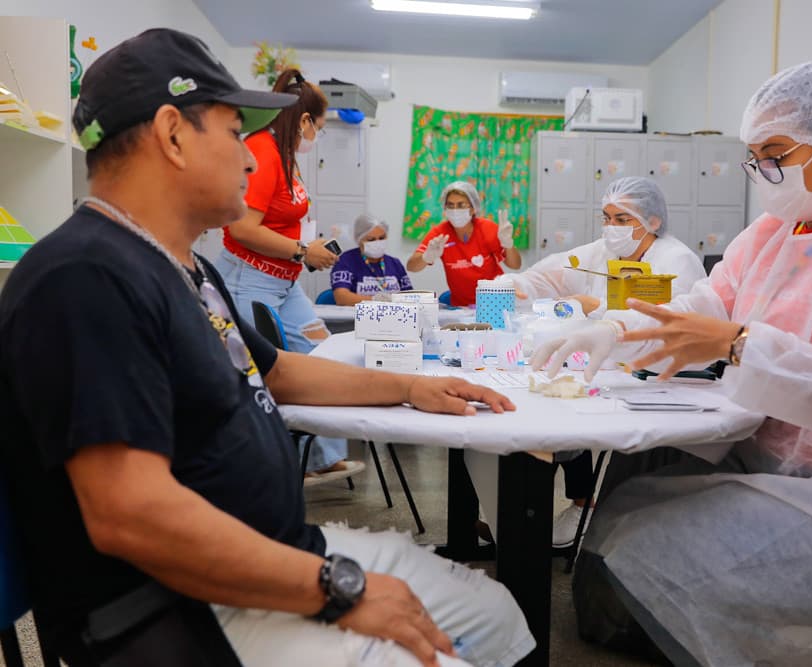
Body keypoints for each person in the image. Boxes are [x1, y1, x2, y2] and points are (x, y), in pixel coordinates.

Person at [0, 28, 533, 667]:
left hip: (273, 547)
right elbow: (130, 515)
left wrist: (412, 385)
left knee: (500, 616)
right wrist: (339, 591)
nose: (252, 161)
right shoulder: (85, 278)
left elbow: (277, 373)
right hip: (181, 605)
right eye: (233, 134)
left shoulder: (185, 267)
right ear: (172, 134)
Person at [532, 52, 812, 667]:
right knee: (631, 503)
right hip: (776, 460)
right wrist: (614, 328)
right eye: (755, 157)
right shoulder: (772, 234)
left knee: (649, 543)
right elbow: (703, 305)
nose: (763, 171)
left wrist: (740, 344)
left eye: (776, 153)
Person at [501, 176, 705, 548]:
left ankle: (583, 506)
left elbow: (668, 325)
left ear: (653, 221)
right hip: (607, 370)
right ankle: (522, 515)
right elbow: (553, 273)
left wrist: (599, 310)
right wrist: (516, 284)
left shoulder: (676, 260)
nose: (611, 228)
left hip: (661, 381)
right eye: (606, 217)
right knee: (548, 412)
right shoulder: (603, 252)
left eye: (623, 219)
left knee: (566, 420)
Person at [215, 67, 360, 483]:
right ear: (303, 121)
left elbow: (282, 220)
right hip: (249, 280)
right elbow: (242, 228)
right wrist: (302, 249)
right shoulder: (262, 152)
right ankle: (258, 470)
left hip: (284, 282)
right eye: (320, 125)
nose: (320, 134)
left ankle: (320, 459)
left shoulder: (286, 156)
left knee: (322, 354)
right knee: (260, 373)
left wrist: (305, 256)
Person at [406, 181, 522, 307]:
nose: (455, 210)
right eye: (450, 205)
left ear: (472, 208)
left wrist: (508, 244)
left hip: (494, 303)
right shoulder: (440, 233)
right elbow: (411, 267)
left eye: (461, 205)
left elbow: (515, 265)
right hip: (460, 308)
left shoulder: (487, 229)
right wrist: (426, 257)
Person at [331, 213, 413, 305]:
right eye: (371, 239)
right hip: (357, 317)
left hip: (393, 317)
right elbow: (342, 298)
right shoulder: (346, 261)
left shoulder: (395, 264)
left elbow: (409, 297)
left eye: (382, 238)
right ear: (359, 240)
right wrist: (375, 300)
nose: (377, 242)